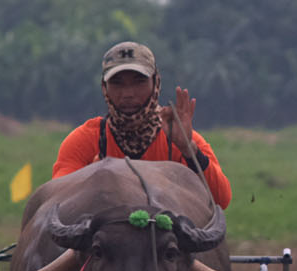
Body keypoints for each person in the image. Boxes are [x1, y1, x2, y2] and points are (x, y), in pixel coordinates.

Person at [52, 41, 233, 209]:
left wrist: (188, 149)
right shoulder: (85, 140)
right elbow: (56, 201)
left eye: (139, 82)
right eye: (117, 84)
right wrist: (91, 179)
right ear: (104, 87)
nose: (128, 94)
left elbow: (221, 200)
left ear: (156, 83)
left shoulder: (178, 136)